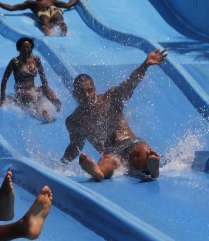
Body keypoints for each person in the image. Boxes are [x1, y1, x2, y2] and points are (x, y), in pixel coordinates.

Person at [60, 49, 168, 181]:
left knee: (141, 152)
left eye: (90, 90)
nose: (87, 95)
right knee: (108, 162)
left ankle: (152, 168)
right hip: (111, 153)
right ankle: (98, 172)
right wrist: (61, 165)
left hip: (131, 143)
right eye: (82, 92)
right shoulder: (74, 120)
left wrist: (145, 65)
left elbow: (130, 84)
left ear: (95, 89)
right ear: (75, 93)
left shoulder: (110, 98)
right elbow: (75, 145)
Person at [0, 37, 62, 122]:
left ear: (31, 48)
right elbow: (4, 79)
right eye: (24, 47)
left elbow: (43, 76)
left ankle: (55, 104)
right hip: (21, 91)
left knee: (45, 88)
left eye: (28, 47)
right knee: (31, 96)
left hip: (33, 89)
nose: (26, 49)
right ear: (19, 48)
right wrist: (3, 99)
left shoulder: (35, 60)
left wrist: (46, 89)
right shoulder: (15, 62)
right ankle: (42, 113)